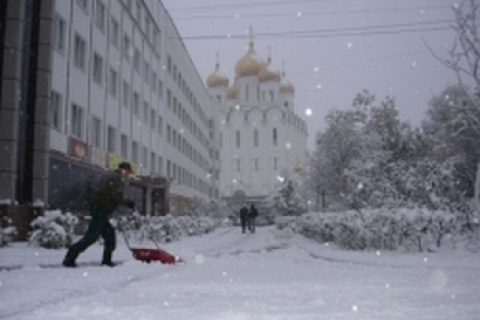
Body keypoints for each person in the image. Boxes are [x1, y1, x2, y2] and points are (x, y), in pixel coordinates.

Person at [62, 162, 136, 267]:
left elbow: (109, 194)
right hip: (100, 210)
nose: (128, 175)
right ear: (123, 170)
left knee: (109, 235)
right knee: (92, 236)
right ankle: (70, 257)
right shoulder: (116, 178)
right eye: (128, 172)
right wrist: (127, 202)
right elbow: (115, 195)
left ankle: (107, 261)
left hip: (101, 209)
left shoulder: (111, 176)